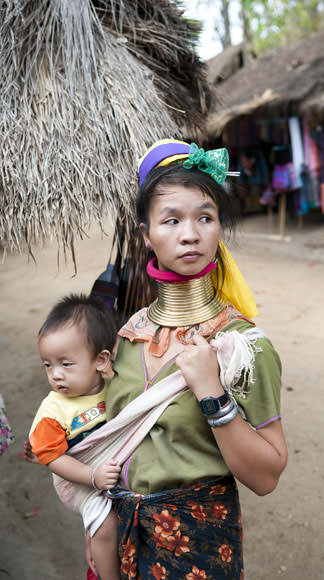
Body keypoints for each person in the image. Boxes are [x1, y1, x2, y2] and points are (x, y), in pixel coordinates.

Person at [86, 139, 288, 579]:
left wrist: (213, 394)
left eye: (205, 218)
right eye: (171, 220)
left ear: (219, 229)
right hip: (123, 537)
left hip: (199, 545)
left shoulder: (242, 346)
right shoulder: (125, 336)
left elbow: (267, 476)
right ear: (146, 236)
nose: (190, 234)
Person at [28, 294, 121, 580]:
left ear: (101, 360)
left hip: (106, 468)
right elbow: (50, 456)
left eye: (66, 364)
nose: (56, 375)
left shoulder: (115, 386)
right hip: (76, 481)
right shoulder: (53, 410)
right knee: (105, 525)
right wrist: (92, 476)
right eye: (48, 365)